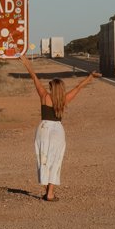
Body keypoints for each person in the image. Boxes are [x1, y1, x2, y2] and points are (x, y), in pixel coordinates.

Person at [20, 54, 101, 201]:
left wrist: (26, 63)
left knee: (42, 158)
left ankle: (46, 191)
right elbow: (78, 87)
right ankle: (50, 193)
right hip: (57, 130)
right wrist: (90, 77)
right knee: (55, 160)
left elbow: (34, 78)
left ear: (51, 87)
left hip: (43, 128)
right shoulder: (64, 99)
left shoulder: (44, 96)